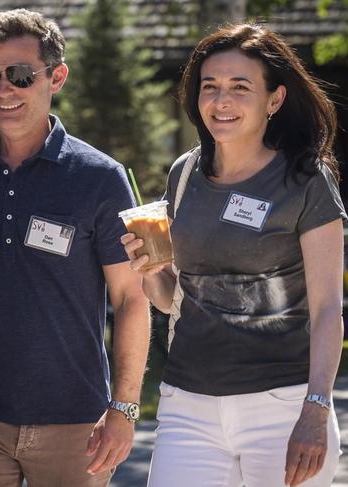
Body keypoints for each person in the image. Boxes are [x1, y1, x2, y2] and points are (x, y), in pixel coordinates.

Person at [0, 8, 150, 487]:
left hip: (77, 421)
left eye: (21, 75)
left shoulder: (100, 178)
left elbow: (131, 299)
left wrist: (125, 409)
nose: (4, 90)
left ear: (57, 77)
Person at [121, 23, 345, 487]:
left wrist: (316, 408)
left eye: (240, 87)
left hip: (283, 405)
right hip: (188, 404)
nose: (220, 102)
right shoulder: (185, 174)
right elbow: (172, 299)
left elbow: (327, 309)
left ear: (275, 100)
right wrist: (149, 270)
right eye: (210, 86)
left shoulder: (306, 179)